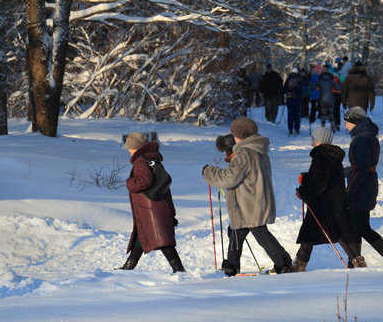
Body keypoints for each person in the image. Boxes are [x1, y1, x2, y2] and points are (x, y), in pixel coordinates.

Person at [202, 117, 293, 275]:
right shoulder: (257, 149)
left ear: (238, 135)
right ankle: (231, 265)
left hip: (249, 202)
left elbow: (229, 178)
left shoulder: (244, 153)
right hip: (252, 200)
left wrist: (210, 172)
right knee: (238, 231)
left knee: (259, 233)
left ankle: (282, 262)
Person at [341, 107, 383, 268]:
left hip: (362, 188)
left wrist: (350, 191)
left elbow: (361, 168)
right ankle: (356, 262)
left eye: (347, 122)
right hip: (366, 185)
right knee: (359, 226)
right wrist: (340, 172)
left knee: (360, 227)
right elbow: (362, 167)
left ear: (355, 122)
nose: (346, 126)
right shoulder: (367, 136)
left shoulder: (361, 139)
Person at [293, 127, 363, 271]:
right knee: (338, 233)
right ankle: (358, 262)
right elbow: (327, 178)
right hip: (335, 202)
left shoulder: (321, 156)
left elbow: (319, 182)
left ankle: (299, 266)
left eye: (313, 139)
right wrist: (307, 178)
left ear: (319, 141)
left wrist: (303, 190)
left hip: (323, 204)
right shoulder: (333, 156)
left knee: (310, 234)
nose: (312, 143)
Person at [117, 132, 186, 273]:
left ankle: (179, 269)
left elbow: (144, 181)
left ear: (135, 148)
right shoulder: (151, 159)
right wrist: (170, 212)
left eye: (130, 149)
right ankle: (129, 266)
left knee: (163, 240)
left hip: (150, 210)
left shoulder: (141, 161)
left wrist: (130, 183)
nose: (129, 152)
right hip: (152, 208)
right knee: (141, 235)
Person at [283, 66, 304, 135]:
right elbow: (303, 85)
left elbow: (285, 88)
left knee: (290, 113)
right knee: (297, 113)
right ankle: (297, 128)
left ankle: (290, 128)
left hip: (289, 97)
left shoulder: (289, 78)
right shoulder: (299, 78)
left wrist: (285, 93)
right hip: (297, 97)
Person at [316, 64, 336, 129]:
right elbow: (337, 87)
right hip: (330, 98)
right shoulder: (331, 78)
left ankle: (323, 126)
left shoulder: (320, 79)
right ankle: (332, 126)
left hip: (322, 98)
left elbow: (314, 87)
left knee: (323, 113)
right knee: (331, 113)